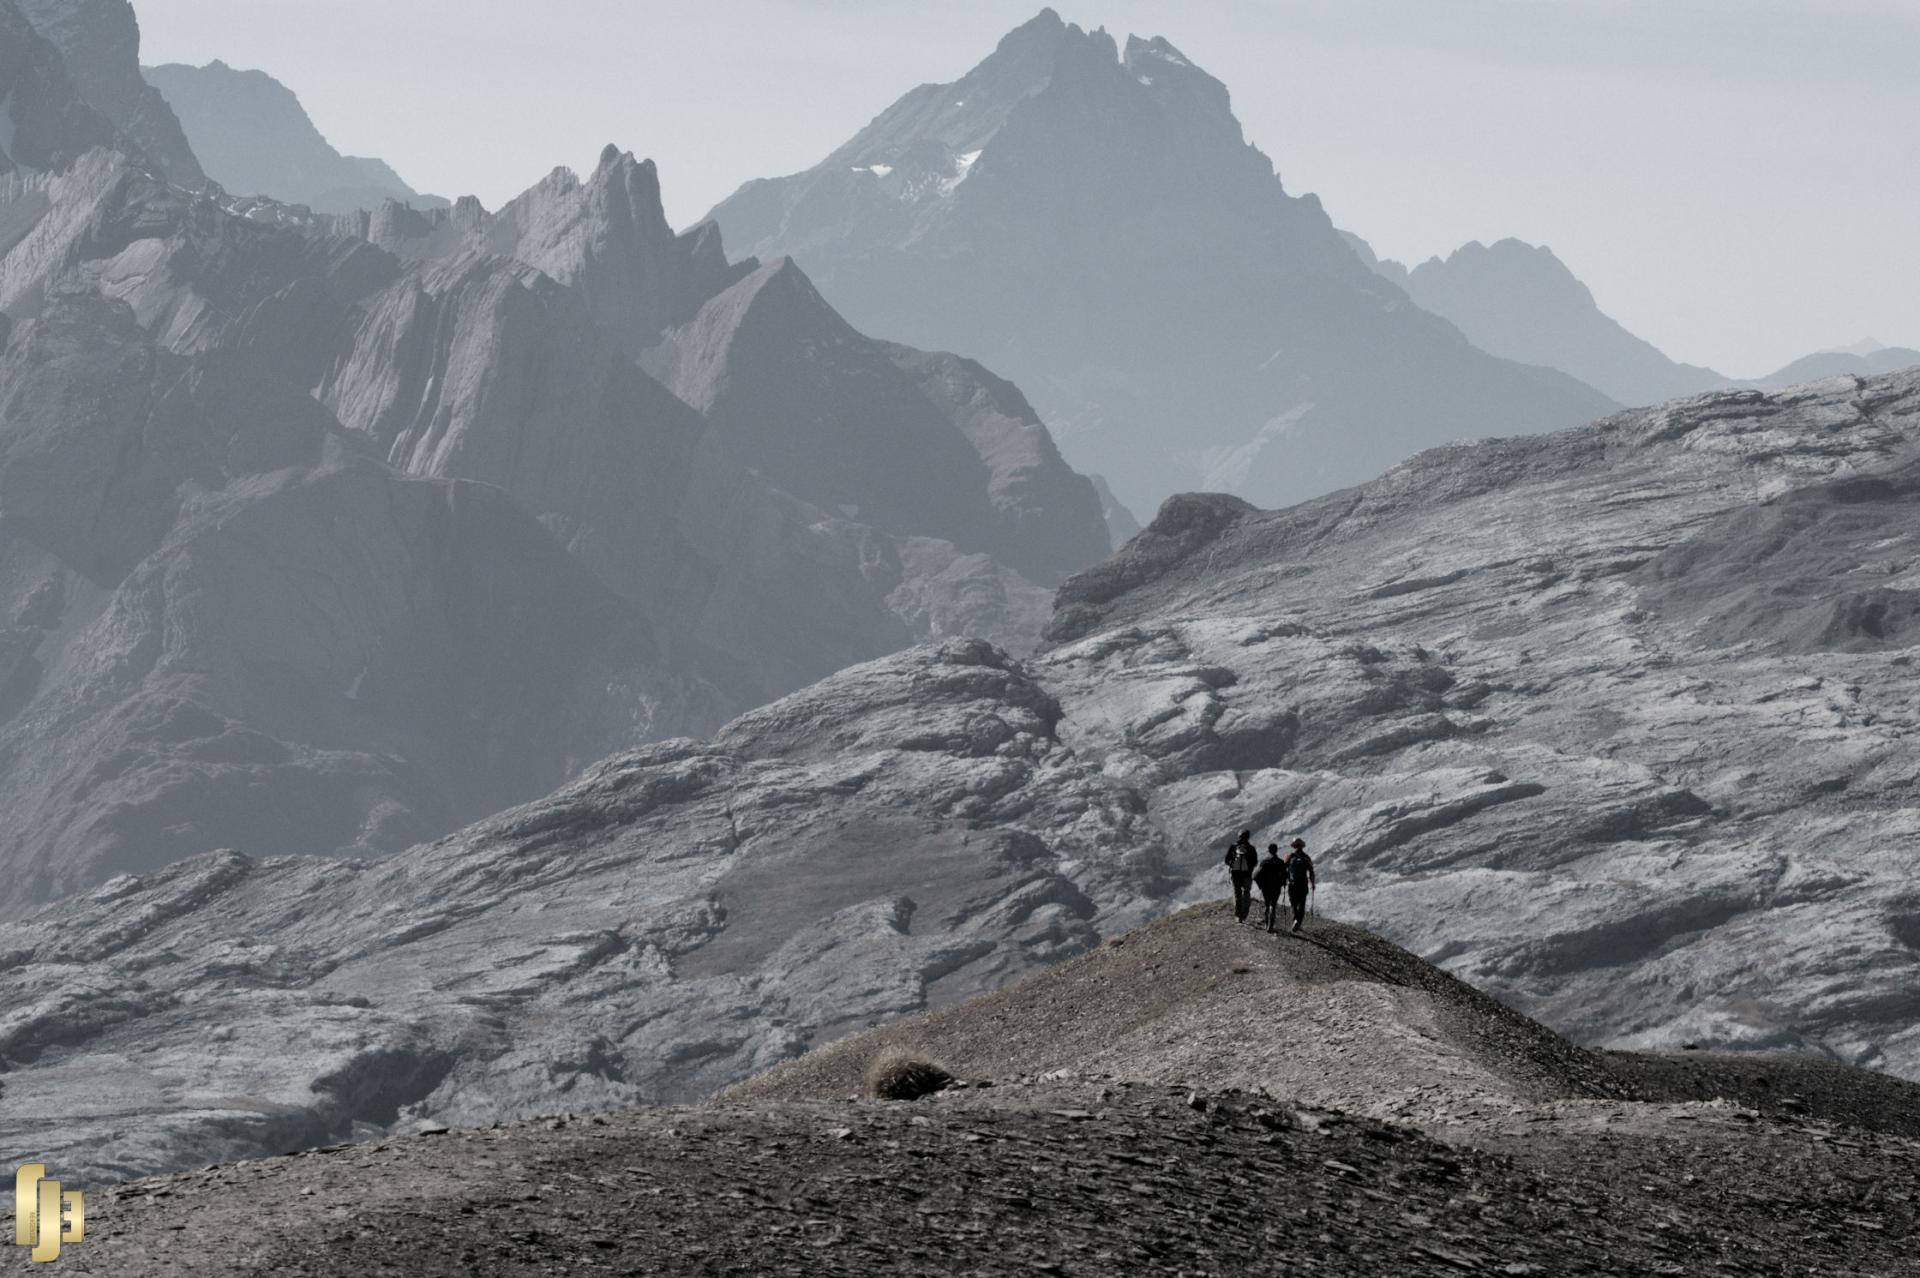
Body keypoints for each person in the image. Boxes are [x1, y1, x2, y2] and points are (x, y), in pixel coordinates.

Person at [1224, 831, 1259, 923]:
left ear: (1239, 836)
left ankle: (1238, 915)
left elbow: (1226, 860)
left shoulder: (1233, 846)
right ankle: (1244, 914)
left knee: (1237, 893)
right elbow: (1255, 862)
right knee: (1246, 893)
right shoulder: (1251, 848)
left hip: (1235, 874)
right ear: (1248, 837)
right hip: (1247, 875)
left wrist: (1232, 865)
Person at [1253, 843, 1287, 932]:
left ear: (1269, 850)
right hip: (1276, 887)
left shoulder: (1264, 861)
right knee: (1273, 904)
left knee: (1267, 904)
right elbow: (1285, 875)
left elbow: (1255, 876)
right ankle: (1271, 924)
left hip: (1266, 887)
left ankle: (1266, 924)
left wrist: (1261, 886)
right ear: (1276, 850)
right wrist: (1283, 883)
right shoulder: (1280, 862)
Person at [1284, 837, 1316, 933]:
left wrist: (1284, 880)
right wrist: (1312, 883)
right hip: (1302, 884)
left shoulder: (1290, 856)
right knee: (1301, 903)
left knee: (1293, 903)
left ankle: (1295, 920)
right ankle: (1298, 921)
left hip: (1292, 884)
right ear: (1302, 846)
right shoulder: (1306, 857)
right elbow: (1311, 871)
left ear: (1294, 846)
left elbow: (1283, 868)